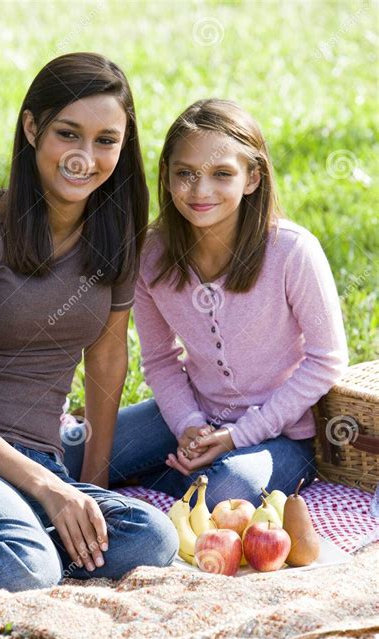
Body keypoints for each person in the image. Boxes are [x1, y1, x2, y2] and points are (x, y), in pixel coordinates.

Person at [0, 53, 178, 591]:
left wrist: (89, 491)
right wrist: (51, 491)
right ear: (32, 128)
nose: (85, 157)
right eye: (68, 133)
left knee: (150, 537)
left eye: (106, 140)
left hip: (38, 453)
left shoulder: (116, 238)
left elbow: (105, 360)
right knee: (27, 563)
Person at [63, 99, 349, 509]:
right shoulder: (151, 255)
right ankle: (176, 470)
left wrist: (238, 436)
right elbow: (160, 360)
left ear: (251, 177)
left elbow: (327, 359)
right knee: (72, 453)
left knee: (224, 490)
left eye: (221, 174)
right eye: (185, 174)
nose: (200, 191)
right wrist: (188, 425)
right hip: (193, 416)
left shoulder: (292, 252)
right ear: (166, 175)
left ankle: (168, 477)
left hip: (281, 433)